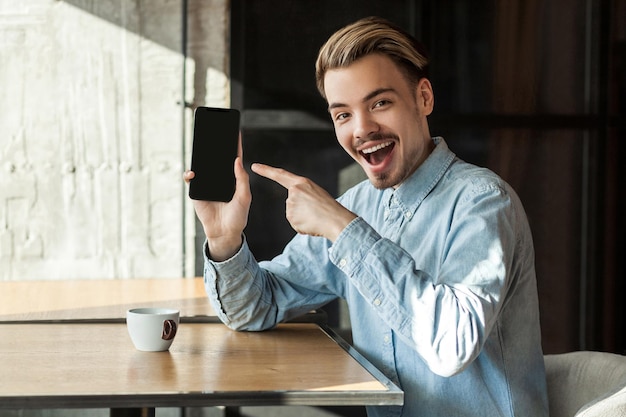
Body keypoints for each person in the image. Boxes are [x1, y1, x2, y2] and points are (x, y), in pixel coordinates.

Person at [184, 16, 548, 417]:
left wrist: (342, 227)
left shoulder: (483, 202)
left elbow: (451, 346)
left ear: (423, 98)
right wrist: (224, 239)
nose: (362, 129)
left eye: (380, 103)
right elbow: (256, 307)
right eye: (343, 115)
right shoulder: (356, 207)